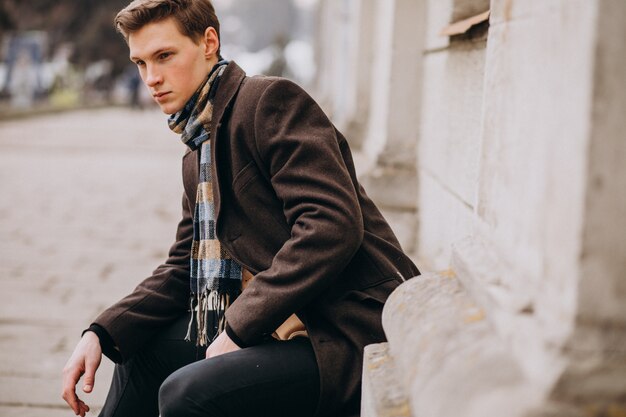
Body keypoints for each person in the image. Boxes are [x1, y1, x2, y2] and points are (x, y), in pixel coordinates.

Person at [61, 1, 419, 416]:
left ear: (208, 42)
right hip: (287, 321)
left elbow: (330, 225)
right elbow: (182, 267)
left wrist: (239, 324)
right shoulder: (199, 150)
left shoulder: (269, 103)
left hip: (340, 329)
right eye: (140, 63)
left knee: (186, 393)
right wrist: (102, 333)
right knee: (142, 348)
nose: (151, 78)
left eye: (164, 56)